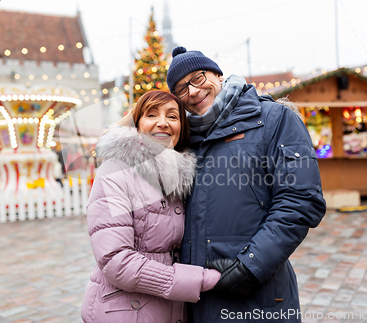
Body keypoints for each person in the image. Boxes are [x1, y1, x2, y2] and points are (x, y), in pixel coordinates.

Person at [166, 46, 327, 322]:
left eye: (198, 78)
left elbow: (301, 200)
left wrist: (251, 266)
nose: (192, 91)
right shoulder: (180, 140)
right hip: (197, 301)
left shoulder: (275, 119)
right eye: (181, 89)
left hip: (260, 297)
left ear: (217, 74)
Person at [81, 90, 221, 323]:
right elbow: (116, 260)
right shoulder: (116, 170)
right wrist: (199, 279)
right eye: (152, 114)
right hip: (125, 311)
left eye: (173, 116)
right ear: (137, 125)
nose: (162, 123)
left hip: (170, 309)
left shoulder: (181, 176)